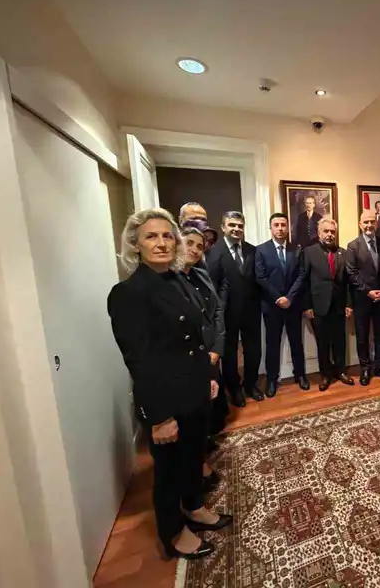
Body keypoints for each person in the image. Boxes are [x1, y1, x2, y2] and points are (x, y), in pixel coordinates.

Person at [107, 208, 232, 561]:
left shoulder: (177, 280)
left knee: (193, 457)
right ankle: (173, 532)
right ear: (135, 244)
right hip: (167, 398)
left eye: (167, 236)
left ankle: (195, 508)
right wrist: (159, 417)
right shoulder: (128, 293)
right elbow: (139, 362)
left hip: (194, 389)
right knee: (168, 471)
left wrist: (208, 378)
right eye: (151, 236)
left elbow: (196, 338)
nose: (161, 243)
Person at [180, 228, 226, 492]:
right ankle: (197, 466)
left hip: (210, 351)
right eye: (189, 243)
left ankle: (202, 447)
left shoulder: (200, 274)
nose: (195, 250)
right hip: (190, 357)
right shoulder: (170, 280)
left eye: (199, 246)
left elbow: (217, 310)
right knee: (192, 411)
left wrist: (217, 348)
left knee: (207, 402)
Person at [206, 211, 263, 407]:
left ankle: (250, 384)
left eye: (240, 225)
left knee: (253, 350)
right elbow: (212, 285)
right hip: (227, 313)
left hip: (251, 310)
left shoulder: (252, 250)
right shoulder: (213, 252)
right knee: (229, 353)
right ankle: (234, 388)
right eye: (232, 225)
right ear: (223, 227)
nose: (236, 229)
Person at [256, 213, 308, 397]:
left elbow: (301, 275)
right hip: (272, 306)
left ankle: (300, 375)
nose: (280, 228)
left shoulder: (297, 249)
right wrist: (278, 298)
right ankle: (272, 379)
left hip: (293, 305)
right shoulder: (261, 250)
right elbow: (261, 277)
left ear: (288, 227)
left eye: (283, 225)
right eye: (276, 225)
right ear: (270, 228)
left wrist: (290, 298)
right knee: (272, 344)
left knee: (296, 342)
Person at [301, 219, 355, 391]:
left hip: (339, 306)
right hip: (318, 306)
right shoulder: (309, 252)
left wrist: (348, 304)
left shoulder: (343, 253)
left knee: (339, 341)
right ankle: (325, 374)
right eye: (326, 231)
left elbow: (348, 282)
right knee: (322, 343)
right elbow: (304, 281)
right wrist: (307, 306)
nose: (330, 234)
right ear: (319, 233)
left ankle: (341, 371)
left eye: (332, 231)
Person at [346, 210, 380, 386]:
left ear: (377, 224)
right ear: (360, 224)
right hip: (362, 300)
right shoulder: (353, 246)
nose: (369, 225)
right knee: (362, 336)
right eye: (365, 222)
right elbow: (352, 273)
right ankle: (365, 368)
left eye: (372, 222)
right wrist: (368, 291)